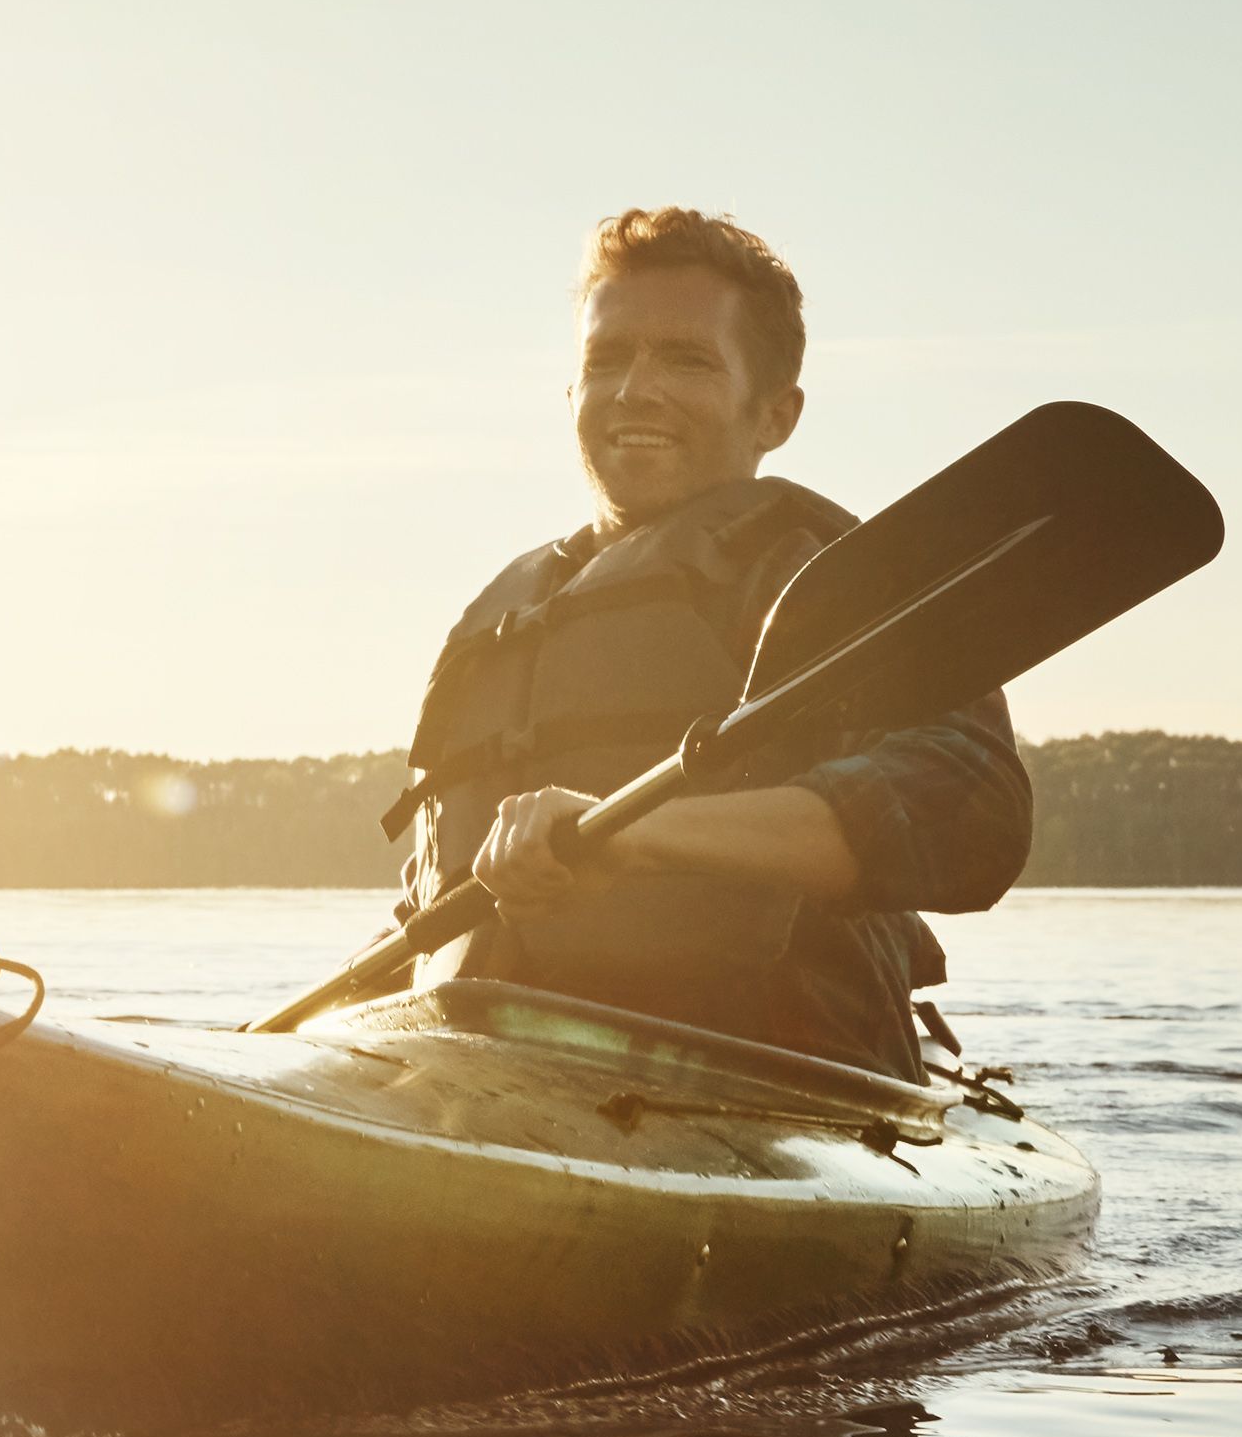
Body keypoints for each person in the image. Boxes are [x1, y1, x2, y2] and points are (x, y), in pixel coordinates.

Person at [392, 207, 1029, 1075]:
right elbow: (427, 902)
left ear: (773, 414)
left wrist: (634, 837)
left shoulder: (819, 580)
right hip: (488, 1070)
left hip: (775, 1080)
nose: (634, 389)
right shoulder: (499, 616)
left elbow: (972, 808)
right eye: (605, 359)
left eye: (685, 360)